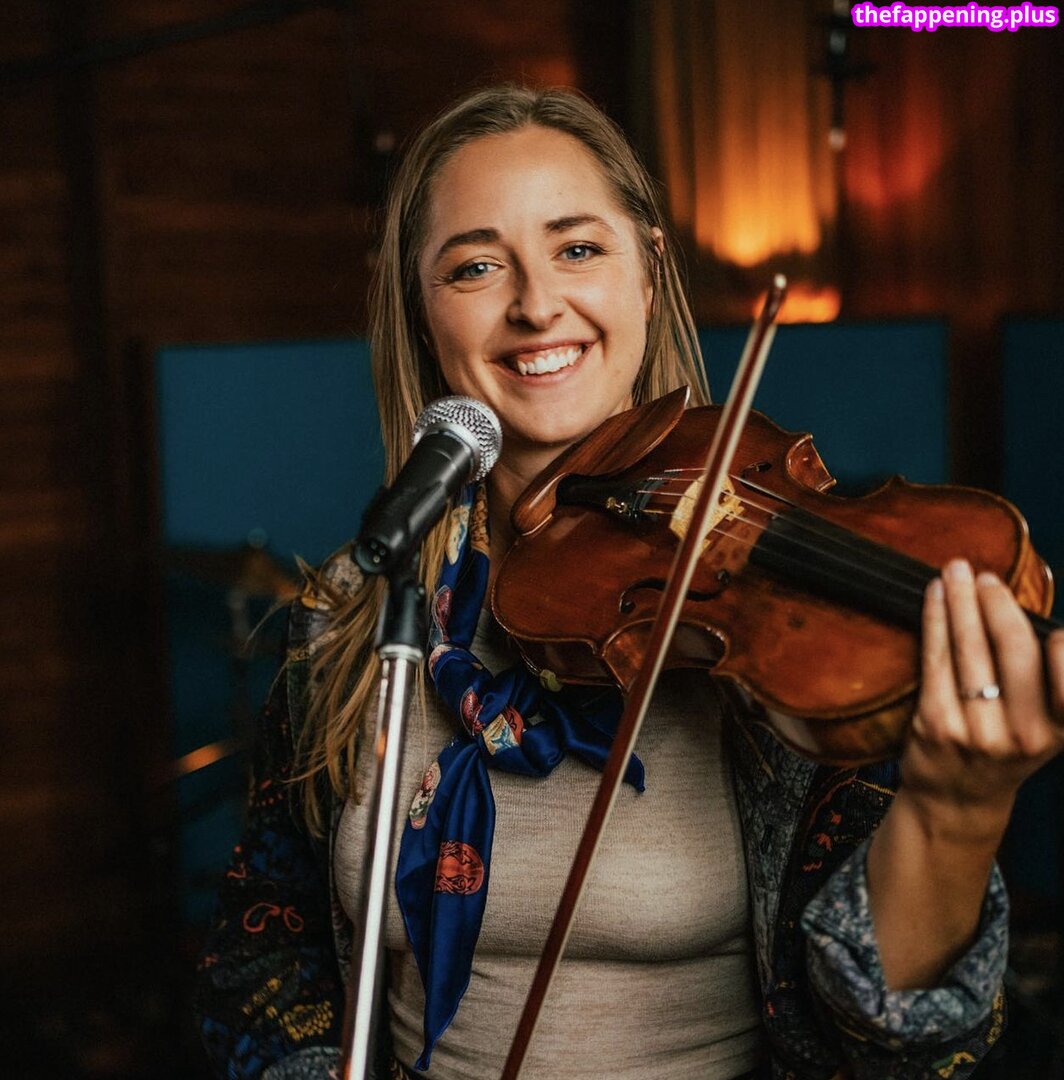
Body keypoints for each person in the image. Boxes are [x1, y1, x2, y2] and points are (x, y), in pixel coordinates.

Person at [195, 84, 1064, 1080]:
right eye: (476, 266)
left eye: (577, 248)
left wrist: (955, 810)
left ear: (648, 275)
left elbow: (890, 1051)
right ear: (422, 313)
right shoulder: (354, 620)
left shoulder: (781, 650)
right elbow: (261, 952)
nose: (535, 305)